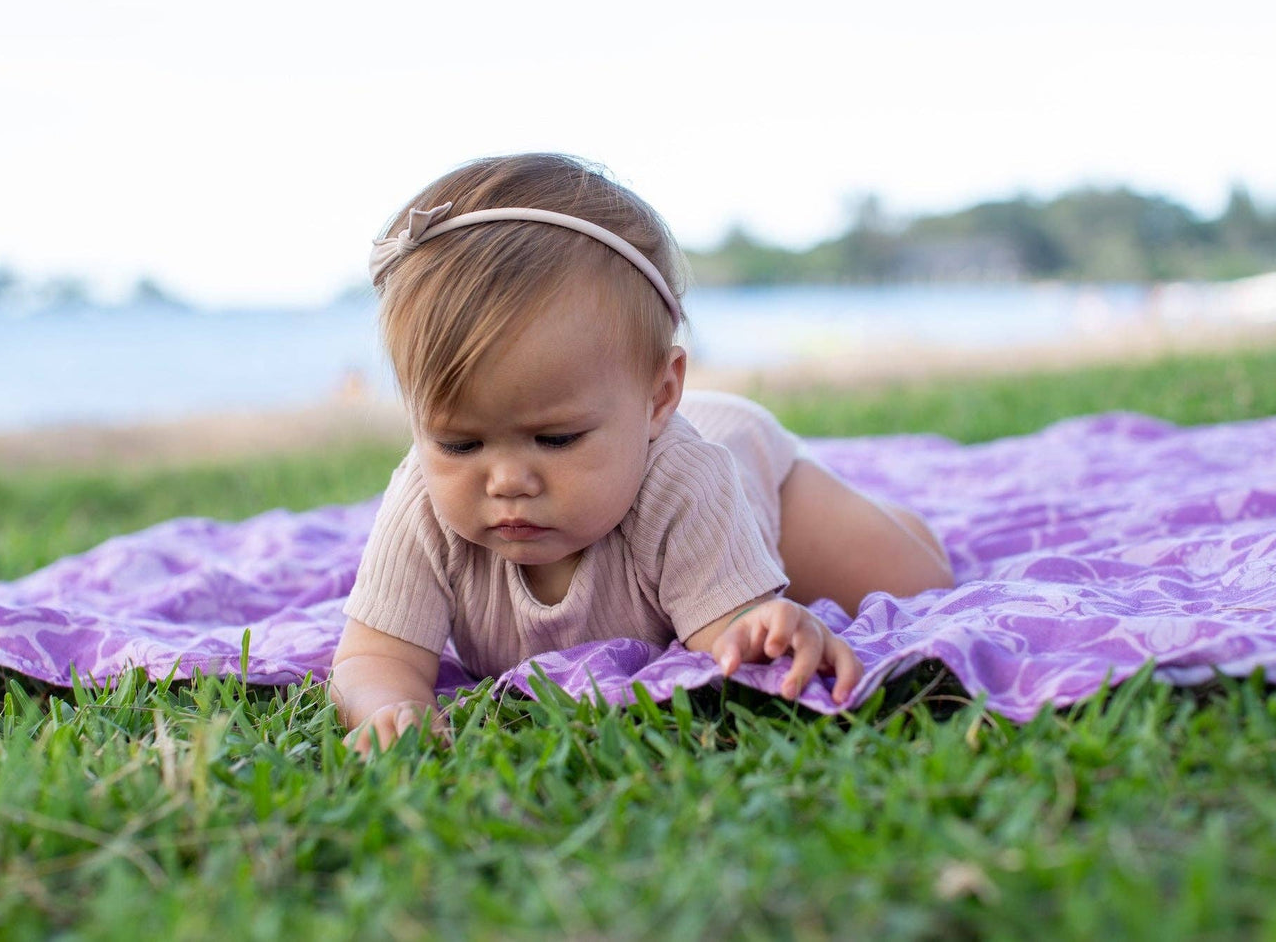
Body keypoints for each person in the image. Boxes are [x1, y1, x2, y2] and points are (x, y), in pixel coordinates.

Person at [331, 153, 952, 754]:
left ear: (659, 397)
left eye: (557, 439)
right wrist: (390, 705)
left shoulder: (683, 484)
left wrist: (763, 627)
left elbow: (727, 637)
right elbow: (373, 657)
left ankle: (889, 511)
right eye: (460, 443)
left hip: (751, 466)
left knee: (919, 581)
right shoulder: (424, 504)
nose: (508, 480)